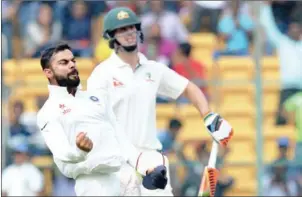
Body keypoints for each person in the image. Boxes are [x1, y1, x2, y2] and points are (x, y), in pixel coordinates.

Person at [87, 7, 234, 196]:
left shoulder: (153, 69)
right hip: (118, 161)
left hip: (151, 158)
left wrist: (208, 116)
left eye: (131, 28)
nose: (128, 33)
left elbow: (190, 88)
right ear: (111, 36)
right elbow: (93, 117)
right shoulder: (102, 74)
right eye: (121, 29)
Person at [36, 43, 168, 196]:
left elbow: (121, 139)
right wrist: (80, 151)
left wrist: (146, 168)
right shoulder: (48, 111)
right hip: (93, 183)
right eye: (64, 63)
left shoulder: (96, 98)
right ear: (48, 72)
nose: (72, 65)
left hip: (124, 177)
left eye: (73, 61)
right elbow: (62, 152)